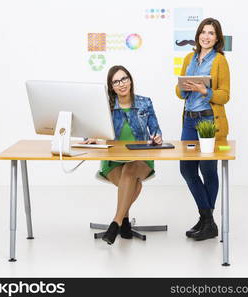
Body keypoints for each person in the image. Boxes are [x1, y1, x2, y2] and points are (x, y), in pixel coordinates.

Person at [83, 65, 163, 245]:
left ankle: (115, 223)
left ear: (130, 80)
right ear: (111, 87)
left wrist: (157, 137)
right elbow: (89, 132)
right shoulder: (106, 106)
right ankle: (123, 220)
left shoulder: (145, 103)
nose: (121, 84)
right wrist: (93, 137)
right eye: (116, 81)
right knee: (134, 184)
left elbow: (156, 130)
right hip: (112, 161)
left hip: (141, 160)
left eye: (124, 79)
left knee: (131, 168)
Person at [175, 18, 230, 241]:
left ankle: (207, 221)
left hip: (209, 122)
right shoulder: (188, 58)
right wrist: (184, 87)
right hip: (189, 120)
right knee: (187, 170)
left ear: (217, 38)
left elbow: (225, 95)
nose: (206, 36)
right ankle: (207, 220)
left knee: (208, 171)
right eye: (203, 32)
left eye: (211, 33)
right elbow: (179, 93)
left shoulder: (220, 61)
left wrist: (205, 91)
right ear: (198, 35)